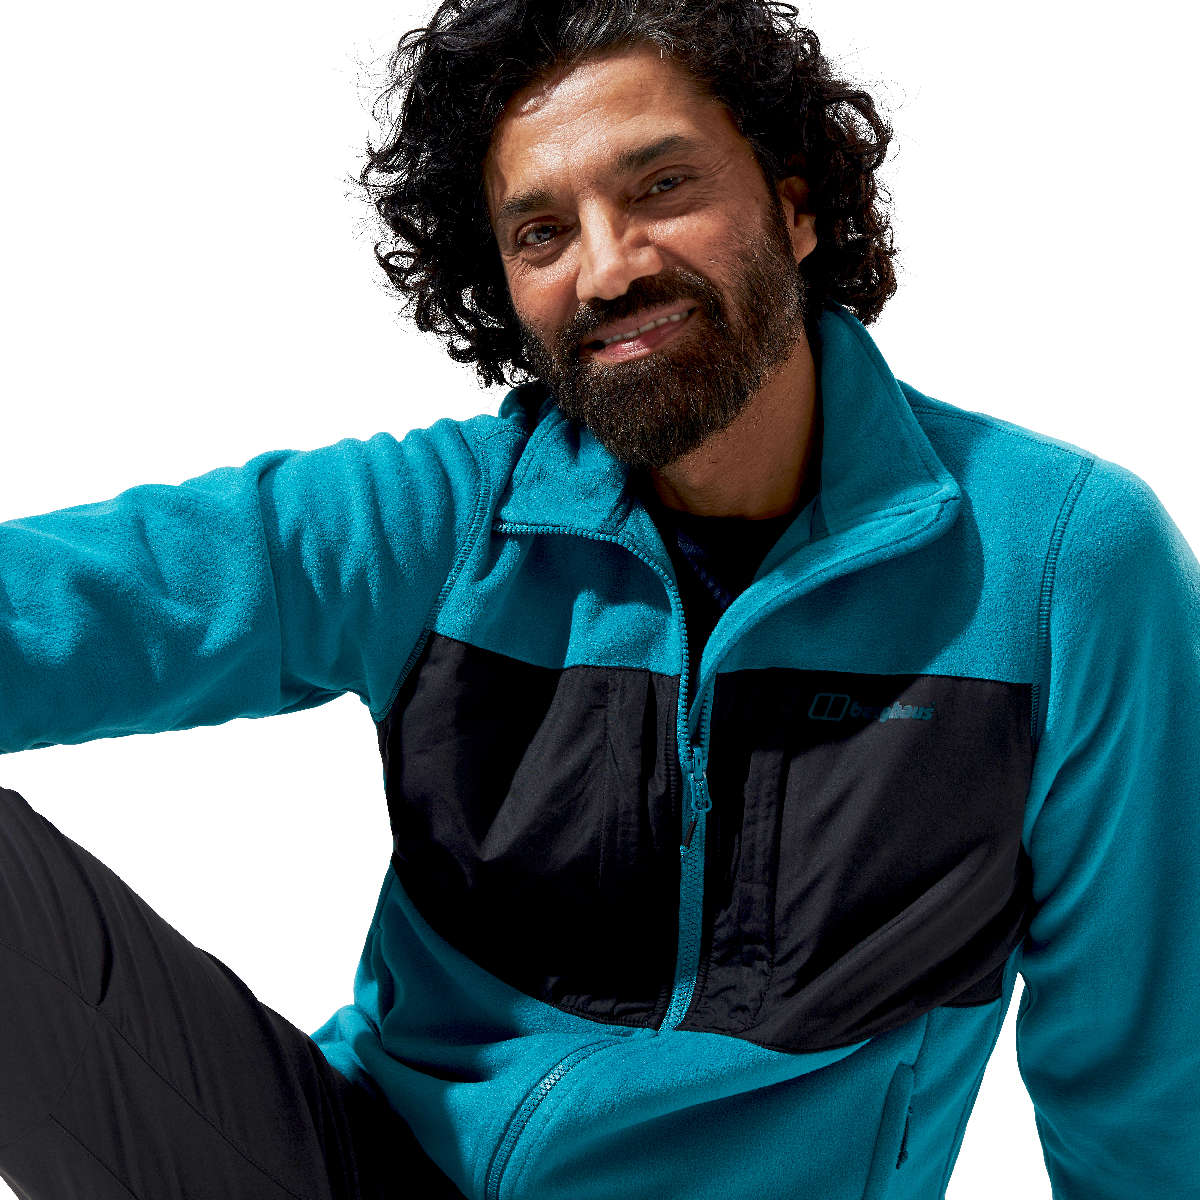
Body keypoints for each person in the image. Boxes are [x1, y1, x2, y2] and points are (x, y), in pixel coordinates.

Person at [1, 1, 1197, 1198]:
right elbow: (87, 598)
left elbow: (1143, 1080)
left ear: (795, 203)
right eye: (542, 233)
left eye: (662, 186)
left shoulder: (1055, 566)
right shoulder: (447, 520)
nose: (609, 267)